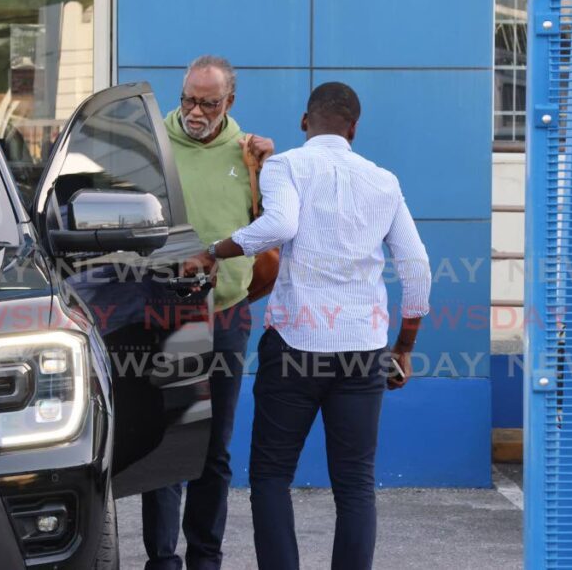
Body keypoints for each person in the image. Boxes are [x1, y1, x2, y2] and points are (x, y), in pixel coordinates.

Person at [185, 82, 432, 570]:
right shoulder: (384, 181)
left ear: (304, 122)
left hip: (295, 347)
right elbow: (417, 268)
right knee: (356, 483)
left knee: (272, 476)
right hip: (364, 349)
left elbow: (278, 227)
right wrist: (403, 346)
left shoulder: (287, 165)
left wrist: (214, 251)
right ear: (354, 129)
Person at [141, 55, 274, 570]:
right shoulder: (155, 145)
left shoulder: (248, 155)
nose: (195, 111)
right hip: (163, 316)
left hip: (226, 317)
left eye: (208, 103)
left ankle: (205, 556)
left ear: (229, 103)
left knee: (213, 448)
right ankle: (161, 558)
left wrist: (266, 169)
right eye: (188, 99)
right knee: (165, 441)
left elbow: (269, 226)